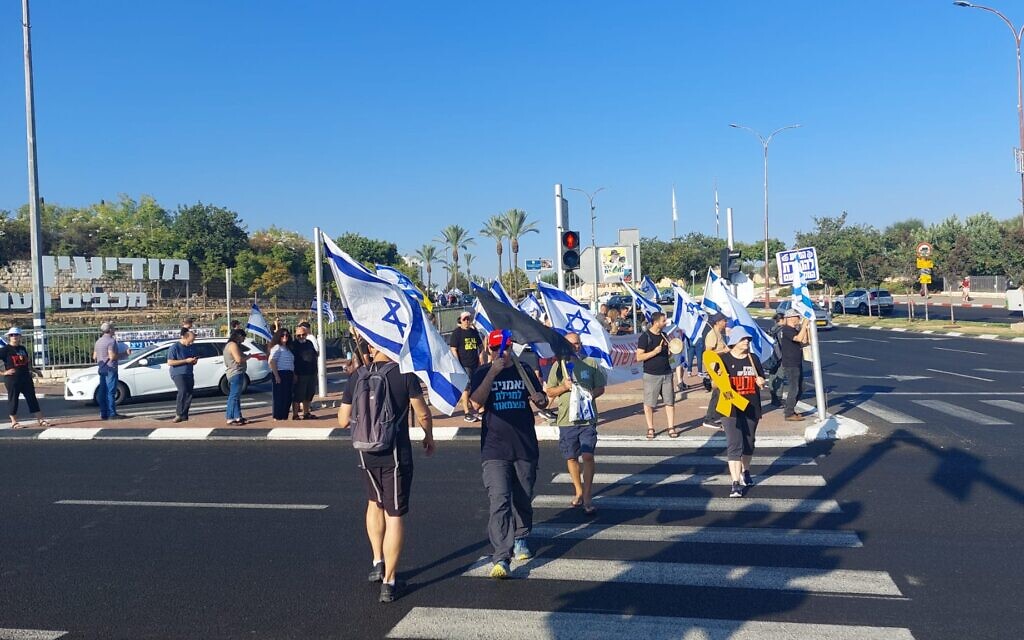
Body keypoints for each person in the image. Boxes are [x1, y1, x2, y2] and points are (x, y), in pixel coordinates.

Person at [337, 344, 435, 603]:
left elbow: (342, 420)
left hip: (364, 453)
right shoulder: (405, 374)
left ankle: (377, 561)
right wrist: (429, 436)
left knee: (374, 503)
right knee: (395, 514)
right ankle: (390, 582)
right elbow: (422, 413)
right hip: (395, 454)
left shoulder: (357, 376)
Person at [470, 329, 549, 579]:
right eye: (495, 349)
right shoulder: (483, 372)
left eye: (503, 348)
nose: (500, 353)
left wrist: (541, 399)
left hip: (524, 445)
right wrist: (493, 371)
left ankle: (522, 536)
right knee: (499, 500)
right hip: (494, 449)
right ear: (489, 350)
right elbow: (475, 403)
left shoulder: (523, 370)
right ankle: (501, 556)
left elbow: (542, 399)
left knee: (523, 496)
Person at [546, 332, 606, 515]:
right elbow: (549, 391)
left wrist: (589, 396)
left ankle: (587, 495)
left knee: (587, 456)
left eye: (578, 343)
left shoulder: (590, 363)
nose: (576, 346)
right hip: (566, 419)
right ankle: (578, 491)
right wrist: (564, 387)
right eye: (572, 344)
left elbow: (600, 387)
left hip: (587, 418)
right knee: (571, 457)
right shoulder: (558, 366)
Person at [709, 327, 766, 498]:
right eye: (743, 339)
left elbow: (761, 381)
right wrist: (718, 381)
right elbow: (713, 384)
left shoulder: (753, 359)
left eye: (748, 339)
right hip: (730, 408)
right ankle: (735, 483)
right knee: (735, 443)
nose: (746, 342)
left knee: (749, 444)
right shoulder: (723, 359)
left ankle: (745, 471)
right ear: (734, 341)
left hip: (751, 406)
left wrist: (761, 381)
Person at [636, 312, 678, 439]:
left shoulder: (664, 335)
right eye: (663, 321)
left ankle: (671, 427)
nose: (666, 323)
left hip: (666, 372)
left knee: (670, 401)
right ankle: (650, 427)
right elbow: (639, 357)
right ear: (656, 322)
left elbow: (667, 354)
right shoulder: (645, 337)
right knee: (649, 403)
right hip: (651, 374)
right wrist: (654, 352)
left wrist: (671, 352)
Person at [2, 327, 50, 429]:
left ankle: (40, 419)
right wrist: (3, 372)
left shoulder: (22, 349)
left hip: (26, 378)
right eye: (12, 335)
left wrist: (35, 370)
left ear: (20, 336)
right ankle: (14, 422)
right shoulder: (5, 350)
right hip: (12, 379)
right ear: (9, 337)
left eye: (16, 335)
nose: (14, 337)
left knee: (32, 398)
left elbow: (27, 363)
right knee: (13, 399)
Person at [449, 311, 484, 422]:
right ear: (461, 320)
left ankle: (480, 410)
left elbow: (481, 346)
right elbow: (453, 348)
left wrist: (481, 357)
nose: (467, 321)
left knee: (477, 385)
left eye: (468, 319)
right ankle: (466, 413)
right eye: (465, 319)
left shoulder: (474, 332)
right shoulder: (457, 333)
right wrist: (457, 363)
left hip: (475, 363)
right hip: (464, 364)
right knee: (466, 388)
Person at [778, 309, 810, 422]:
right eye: (797, 316)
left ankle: (790, 409)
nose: (799, 318)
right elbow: (798, 338)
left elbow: (804, 340)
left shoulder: (794, 329)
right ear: (791, 318)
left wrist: (804, 328)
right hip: (790, 363)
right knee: (794, 388)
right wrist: (805, 323)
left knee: (801, 387)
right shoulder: (786, 329)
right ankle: (789, 413)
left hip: (796, 362)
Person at [701, 313, 730, 429]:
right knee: (718, 393)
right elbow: (708, 353)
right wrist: (724, 350)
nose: (726, 323)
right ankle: (709, 418)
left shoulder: (718, 334)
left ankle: (726, 413)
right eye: (724, 320)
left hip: (721, 368)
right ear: (718, 322)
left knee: (723, 391)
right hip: (716, 369)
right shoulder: (712, 335)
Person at [93, 322, 124, 420]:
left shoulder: (98, 341)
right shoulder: (111, 341)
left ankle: (104, 413)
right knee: (111, 392)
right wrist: (124, 354)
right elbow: (112, 356)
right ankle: (112, 413)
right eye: (113, 328)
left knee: (103, 391)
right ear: (110, 330)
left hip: (102, 368)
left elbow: (94, 356)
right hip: (111, 368)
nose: (114, 330)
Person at [167, 328, 199, 423]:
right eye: (190, 341)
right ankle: (178, 413)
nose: (191, 343)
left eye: (193, 341)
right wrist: (185, 361)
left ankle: (184, 414)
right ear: (185, 338)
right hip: (178, 373)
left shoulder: (191, 347)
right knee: (182, 390)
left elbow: (192, 359)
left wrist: (194, 361)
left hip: (189, 372)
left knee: (189, 393)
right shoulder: (175, 347)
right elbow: (170, 362)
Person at [223, 328, 251, 425]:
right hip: (236, 373)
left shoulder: (230, 345)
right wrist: (248, 357)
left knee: (236, 396)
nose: (243, 340)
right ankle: (230, 417)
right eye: (243, 337)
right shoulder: (233, 345)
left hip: (235, 373)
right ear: (238, 336)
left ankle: (238, 416)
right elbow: (238, 359)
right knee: (234, 396)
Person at [292, 324, 319, 419]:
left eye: (303, 334)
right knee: (299, 394)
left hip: (311, 372)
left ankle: (306, 413)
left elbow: (315, 354)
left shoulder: (309, 343)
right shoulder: (294, 345)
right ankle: (295, 414)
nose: (301, 337)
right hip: (300, 373)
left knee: (309, 394)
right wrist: (294, 373)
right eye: (298, 335)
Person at [268, 328, 295, 421]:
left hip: (289, 373)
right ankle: (277, 416)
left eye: (287, 335)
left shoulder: (288, 348)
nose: (285, 337)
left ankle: (284, 415)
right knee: (279, 396)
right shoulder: (276, 347)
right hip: (280, 372)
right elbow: (272, 361)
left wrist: (294, 374)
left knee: (287, 396)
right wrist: (276, 375)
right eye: (282, 335)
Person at [765, 312, 786, 406]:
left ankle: (773, 397)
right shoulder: (782, 330)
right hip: (780, 357)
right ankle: (778, 399)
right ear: (781, 320)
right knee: (780, 377)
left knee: (772, 377)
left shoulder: (770, 330)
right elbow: (783, 345)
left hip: (771, 357)